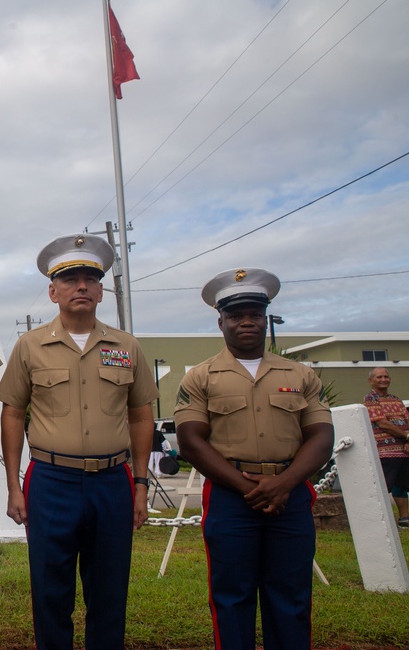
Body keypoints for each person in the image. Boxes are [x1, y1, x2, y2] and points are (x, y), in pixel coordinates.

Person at [0, 233, 158, 650]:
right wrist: (15, 486)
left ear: (102, 289)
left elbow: (142, 414)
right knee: (51, 593)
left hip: (112, 483)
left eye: (90, 277)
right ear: (53, 291)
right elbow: (13, 412)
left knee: (109, 593)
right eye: (70, 279)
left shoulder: (127, 348)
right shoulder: (30, 346)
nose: (81, 286)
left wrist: (140, 485)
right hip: (51, 482)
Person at [174, 267, 334, 650]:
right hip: (231, 498)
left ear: (265, 319)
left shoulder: (301, 375)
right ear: (221, 322)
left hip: (290, 497)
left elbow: (322, 437)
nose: (246, 322)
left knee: (292, 596)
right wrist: (249, 487)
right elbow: (191, 441)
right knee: (232, 597)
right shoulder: (200, 377)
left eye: (254, 315)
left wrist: (284, 484)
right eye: (235, 316)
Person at [363, 367, 409, 528]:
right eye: (379, 377)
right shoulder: (370, 399)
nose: (383, 379)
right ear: (371, 381)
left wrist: (408, 441)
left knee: (402, 484)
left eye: (386, 376)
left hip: (404, 449)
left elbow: (406, 419)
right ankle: (381, 521)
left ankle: (404, 519)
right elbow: (382, 422)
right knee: (385, 485)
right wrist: (406, 437)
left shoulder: (396, 399)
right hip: (385, 451)